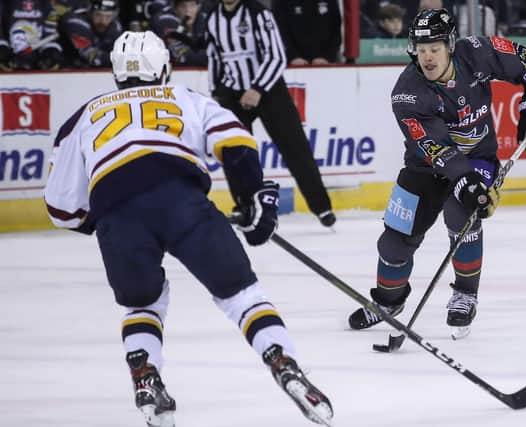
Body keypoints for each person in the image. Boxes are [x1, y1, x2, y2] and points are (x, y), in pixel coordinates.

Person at [43, 30, 333, 427]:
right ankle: (281, 358)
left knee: (142, 304)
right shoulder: (185, 98)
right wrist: (251, 197)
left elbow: (60, 208)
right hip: (182, 203)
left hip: (118, 218)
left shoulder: (84, 115)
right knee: (241, 295)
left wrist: (106, 218)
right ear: (163, 68)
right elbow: (235, 141)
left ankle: (146, 376)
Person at [347, 9, 526, 339]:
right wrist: (466, 182)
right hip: (426, 166)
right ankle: (389, 302)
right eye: (421, 48)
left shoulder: (477, 52)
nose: (427, 57)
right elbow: (437, 150)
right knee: (395, 241)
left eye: (434, 48)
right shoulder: (406, 94)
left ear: (450, 45)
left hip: (478, 158)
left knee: (463, 215)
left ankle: (465, 294)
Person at [206, 0, 336, 227]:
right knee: (233, 150)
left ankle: (321, 206)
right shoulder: (213, 18)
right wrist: (217, 93)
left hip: (269, 88)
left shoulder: (258, 13)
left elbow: (276, 56)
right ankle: (245, 205)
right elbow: (214, 58)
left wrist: (257, 89)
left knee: (294, 145)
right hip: (232, 91)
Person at [272, 0, 342, 65]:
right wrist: (292, 56)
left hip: (325, 63)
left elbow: (336, 29)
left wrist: (328, 56)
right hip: (292, 64)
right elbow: (279, 30)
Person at [57, 0, 123, 68]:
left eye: (108, 16)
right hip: (67, 70)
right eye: (98, 15)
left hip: (94, 70)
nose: (103, 21)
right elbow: (89, 55)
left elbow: (119, 50)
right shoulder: (75, 23)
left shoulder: (114, 25)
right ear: (90, 13)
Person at [3, 0, 64, 70]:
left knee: (54, 56)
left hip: (38, 47)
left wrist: (50, 51)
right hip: (11, 48)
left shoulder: (50, 4)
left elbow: (50, 31)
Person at [149, 0, 208, 66]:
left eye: (192, 5)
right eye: (183, 6)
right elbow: (181, 56)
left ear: (198, 7)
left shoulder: (204, 20)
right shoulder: (166, 20)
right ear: (175, 8)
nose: (187, 11)